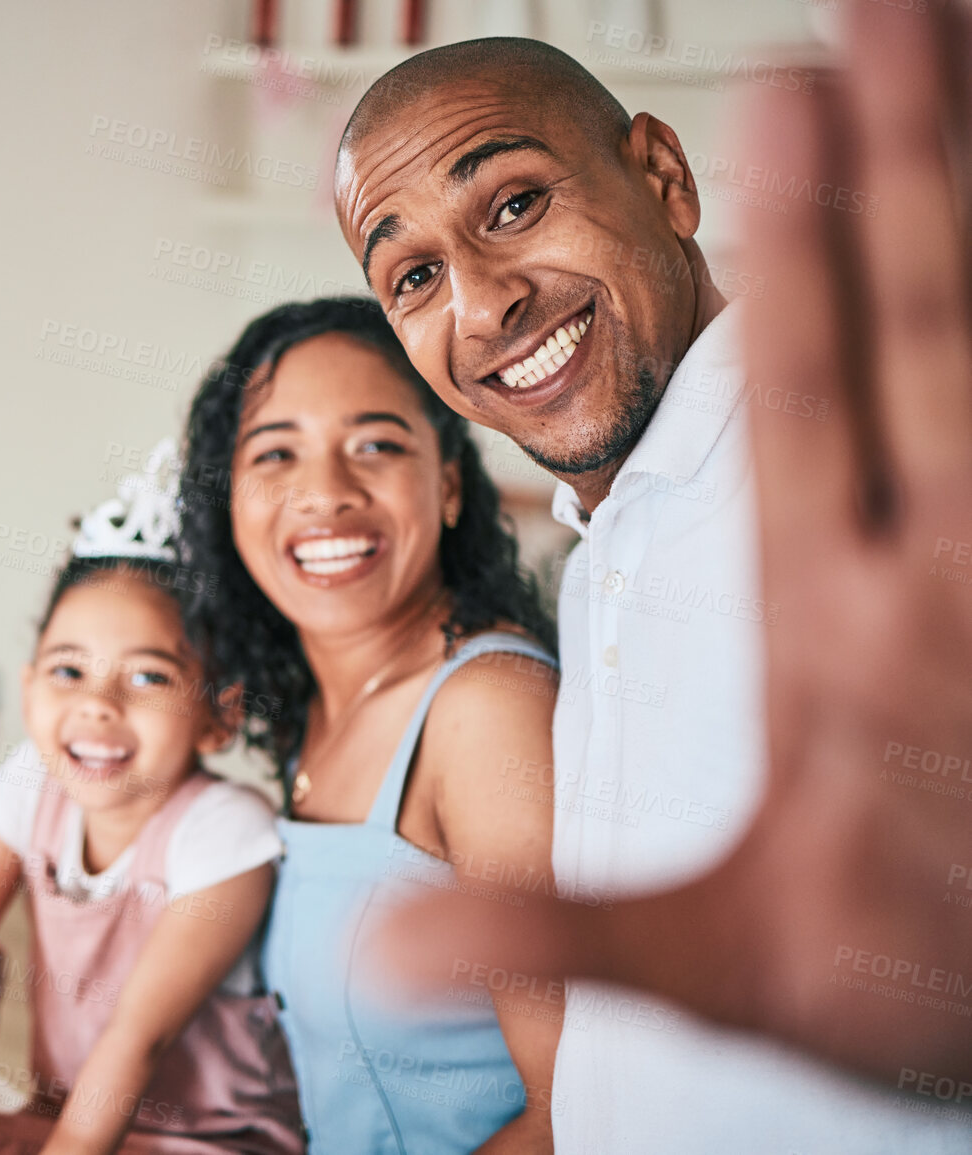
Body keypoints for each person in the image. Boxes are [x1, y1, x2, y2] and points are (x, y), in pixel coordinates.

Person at [333, 16, 972, 1152]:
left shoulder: (876, 471)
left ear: (663, 177)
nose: (482, 304)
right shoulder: (600, 552)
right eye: (416, 275)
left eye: (516, 204)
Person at [0, 447, 306, 1155]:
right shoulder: (31, 782)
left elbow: (138, 1034)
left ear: (219, 712)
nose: (96, 705)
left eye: (147, 677)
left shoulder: (225, 831)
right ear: (28, 685)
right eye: (68, 670)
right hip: (61, 1121)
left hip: (204, 1139)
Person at [179, 299, 561, 1153]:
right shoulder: (311, 712)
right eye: (276, 453)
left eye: (376, 444)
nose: (324, 494)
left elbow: (574, 1103)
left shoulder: (484, 710)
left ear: (450, 482)